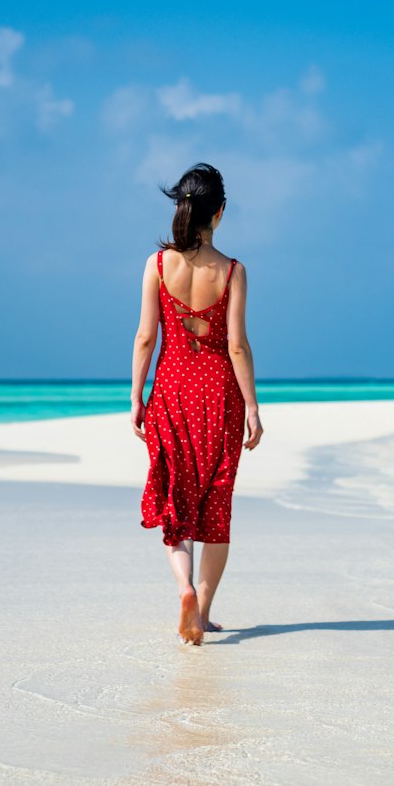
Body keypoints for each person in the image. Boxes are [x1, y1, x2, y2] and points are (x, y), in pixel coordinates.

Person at [131, 162, 263, 645]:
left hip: (170, 392)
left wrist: (136, 396)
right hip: (218, 397)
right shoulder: (232, 271)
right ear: (220, 213)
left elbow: (147, 337)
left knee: (174, 501)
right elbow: (237, 346)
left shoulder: (157, 265)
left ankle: (184, 588)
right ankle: (202, 612)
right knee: (215, 504)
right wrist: (252, 406)